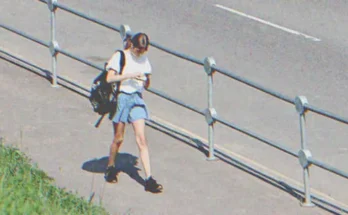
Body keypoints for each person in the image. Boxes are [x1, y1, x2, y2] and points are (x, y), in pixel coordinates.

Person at [103, 32, 163, 193]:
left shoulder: (144, 59)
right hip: (122, 98)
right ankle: (110, 166)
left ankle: (149, 178)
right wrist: (129, 76)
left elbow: (147, 85)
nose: (141, 53)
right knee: (119, 138)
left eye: (144, 51)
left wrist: (145, 80)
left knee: (141, 139)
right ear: (132, 46)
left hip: (136, 98)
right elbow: (109, 78)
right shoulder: (121, 56)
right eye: (138, 50)